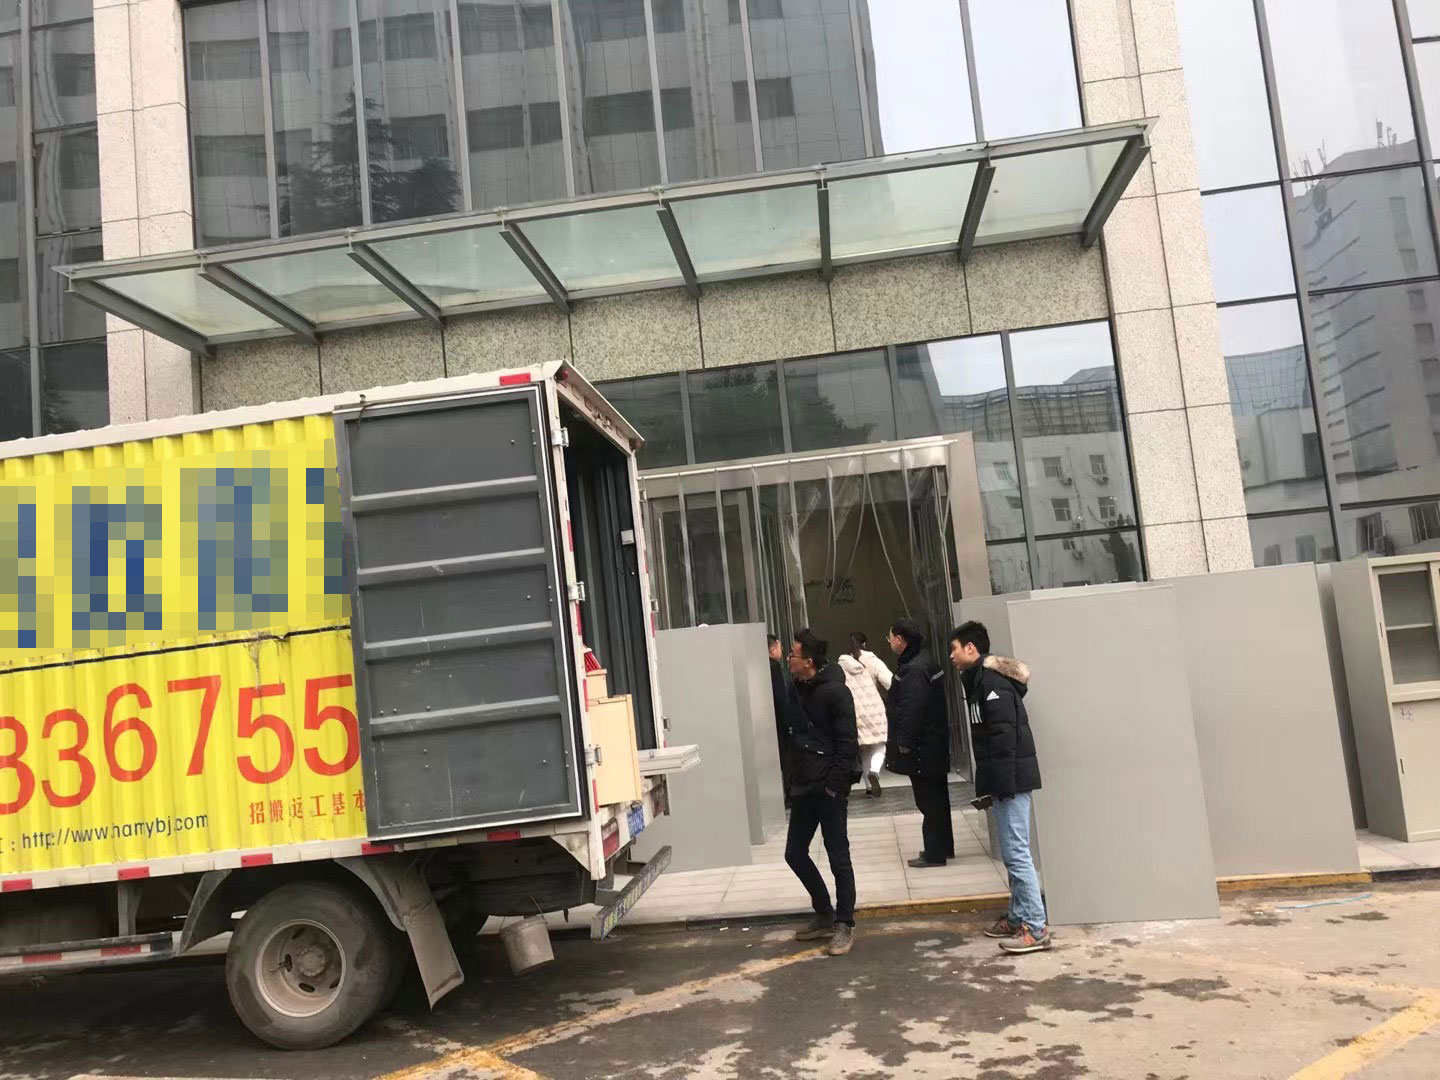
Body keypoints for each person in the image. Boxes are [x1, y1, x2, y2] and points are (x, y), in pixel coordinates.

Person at [949, 620, 1050, 954]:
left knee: (1017, 853)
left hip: (1012, 781)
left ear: (970, 649)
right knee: (1011, 853)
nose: (951, 656)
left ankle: (1035, 927)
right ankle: (1018, 916)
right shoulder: (980, 681)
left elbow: (1004, 739)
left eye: (954, 649)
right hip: (1006, 780)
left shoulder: (993, 684)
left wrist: (1003, 786)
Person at [782, 629, 859, 957]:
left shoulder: (836, 693)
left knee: (838, 856)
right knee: (794, 853)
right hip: (803, 786)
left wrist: (833, 786)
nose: (789, 659)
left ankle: (844, 923)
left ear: (809, 661)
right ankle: (824, 912)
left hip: (829, 789)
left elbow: (847, 743)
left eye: (793, 655)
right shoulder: (795, 688)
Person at [884, 617, 954, 868]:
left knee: (928, 800)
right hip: (933, 743)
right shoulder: (926, 661)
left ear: (899, 639)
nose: (890, 642)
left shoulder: (914, 669)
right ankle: (943, 847)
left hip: (923, 747)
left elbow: (912, 708)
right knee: (938, 798)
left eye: (890, 637)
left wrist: (904, 741)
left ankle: (934, 852)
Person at [839, 632, 890, 798]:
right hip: (874, 709)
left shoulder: (842, 665)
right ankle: (874, 771)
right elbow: (889, 682)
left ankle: (869, 788)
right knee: (880, 745)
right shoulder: (873, 661)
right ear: (865, 644)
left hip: (854, 712)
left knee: (864, 750)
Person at [768, 633, 794, 808]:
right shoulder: (774, 668)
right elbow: (781, 698)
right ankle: (790, 794)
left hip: (768, 722)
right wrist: (789, 721)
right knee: (786, 758)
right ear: (772, 649)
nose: (782, 650)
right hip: (779, 723)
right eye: (780, 647)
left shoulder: (759, 666)